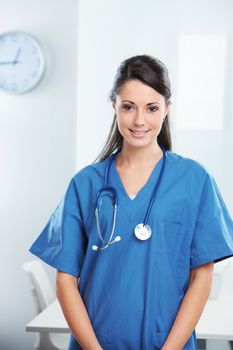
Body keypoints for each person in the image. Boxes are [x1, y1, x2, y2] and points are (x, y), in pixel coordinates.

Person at [29, 54, 233, 350]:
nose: (139, 120)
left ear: (167, 109)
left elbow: (202, 275)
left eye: (151, 108)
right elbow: (65, 280)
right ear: (114, 105)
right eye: (128, 107)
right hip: (95, 344)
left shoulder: (194, 180)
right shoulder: (86, 184)